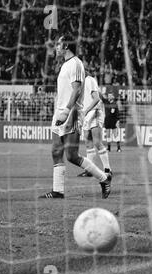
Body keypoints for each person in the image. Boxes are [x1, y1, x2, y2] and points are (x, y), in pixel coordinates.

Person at [39, 34, 112, 199]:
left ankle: (103, 178)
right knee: (56, 151)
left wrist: (67, 111)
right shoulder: (65, 65)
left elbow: (77, 89)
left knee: (72, 155)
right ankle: (58, 190)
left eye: (58, 44)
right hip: (60, 113)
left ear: (66, 46)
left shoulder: (76, 64)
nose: (56, 47)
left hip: (70, 114)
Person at [77, 69, 112, 177]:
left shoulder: (89, 79)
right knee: (88, 142)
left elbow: (96, 98)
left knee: (97, 142)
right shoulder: (82, 84)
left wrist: (86, 110)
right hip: (87, 114)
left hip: (94, 112)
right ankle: (90, 170)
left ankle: (107, 170)